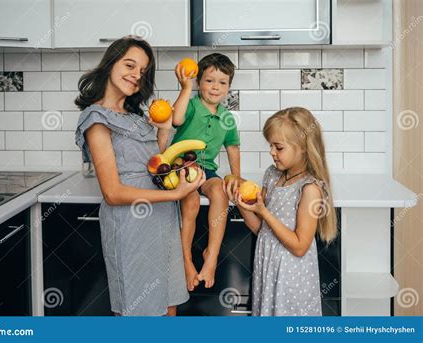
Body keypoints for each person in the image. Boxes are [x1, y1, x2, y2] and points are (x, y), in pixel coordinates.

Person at [74, 36, 205, 316]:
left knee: (169, 307)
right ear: (110, 64)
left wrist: (165, 127)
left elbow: (154, 163)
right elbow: (112, 192)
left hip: (162, 219)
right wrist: (176, 194)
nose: (136, 75)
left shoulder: (135, 115)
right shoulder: (96, 119)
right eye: (130, 65)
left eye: (143, 71)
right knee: (140, 312)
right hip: (130, 226)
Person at [224, 107, 337, 316]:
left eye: (279, 147)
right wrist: (240, 202)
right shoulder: (272, 174)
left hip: (291, 275)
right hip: (267, 264)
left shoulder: (310, 189)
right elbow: (260, 228)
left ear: (303, 147)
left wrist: (264, 212)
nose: (271, 152)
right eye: (271, 145)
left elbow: (300, 247)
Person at [171, 53, 240, 291]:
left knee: (220, 193)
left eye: (222, 82)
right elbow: (176, 120)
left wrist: (236, 175)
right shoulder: (190, 105)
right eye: (209, 80)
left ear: (229, 86)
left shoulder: (227, 117)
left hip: (207, 170)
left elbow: (232, 147)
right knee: (189, 203)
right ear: (199, 82)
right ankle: (187, 260)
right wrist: (185, 88)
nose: (215, 87)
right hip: (181, 168)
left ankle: (211, 255)